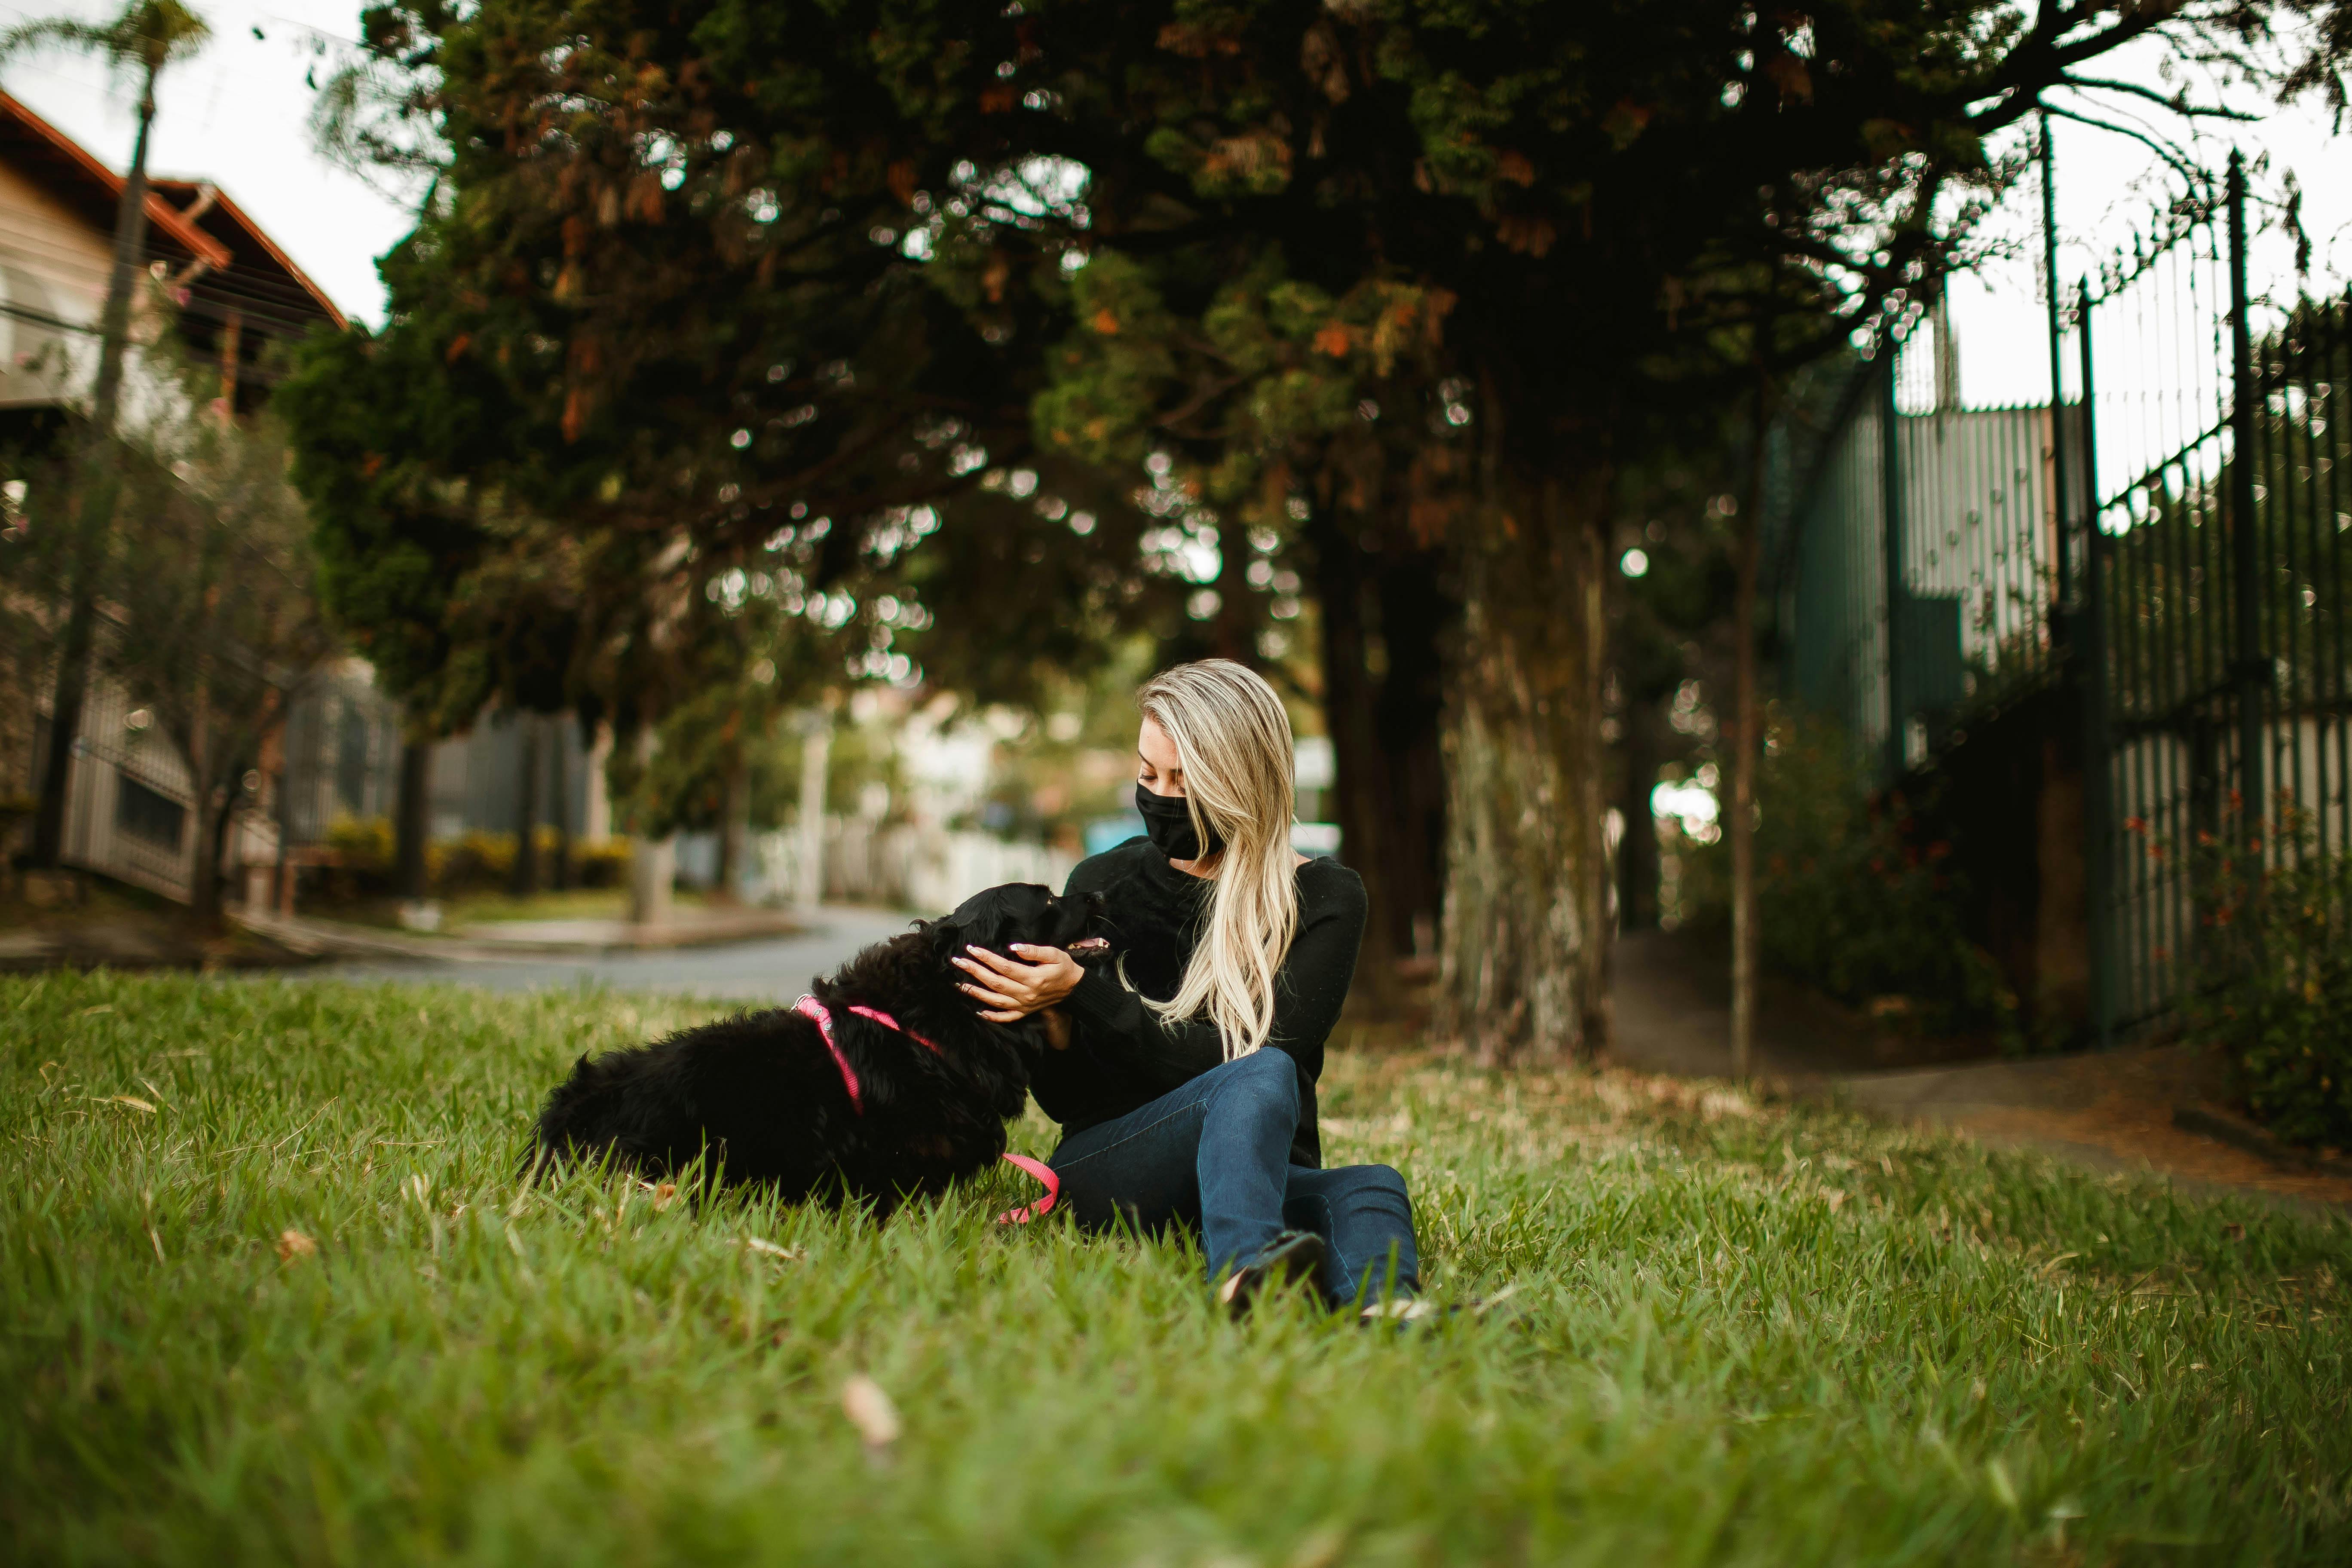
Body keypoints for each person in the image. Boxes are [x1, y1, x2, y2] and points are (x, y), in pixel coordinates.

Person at [951, 658, 1424, 1318]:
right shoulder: (1103, 880)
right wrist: (1059, 1014)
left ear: (1240, 783)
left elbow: (1263, 1056)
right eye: (1148, 774)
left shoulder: (1324, 898)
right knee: (1258, 1072)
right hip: (1115, 1165)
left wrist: (1087, 991)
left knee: (1371, 1184)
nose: (1159, 794)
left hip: (1255, 1177)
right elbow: (1067, 1105)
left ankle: (1390, 1315)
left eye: (1184, 779)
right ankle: (1245, 1278)